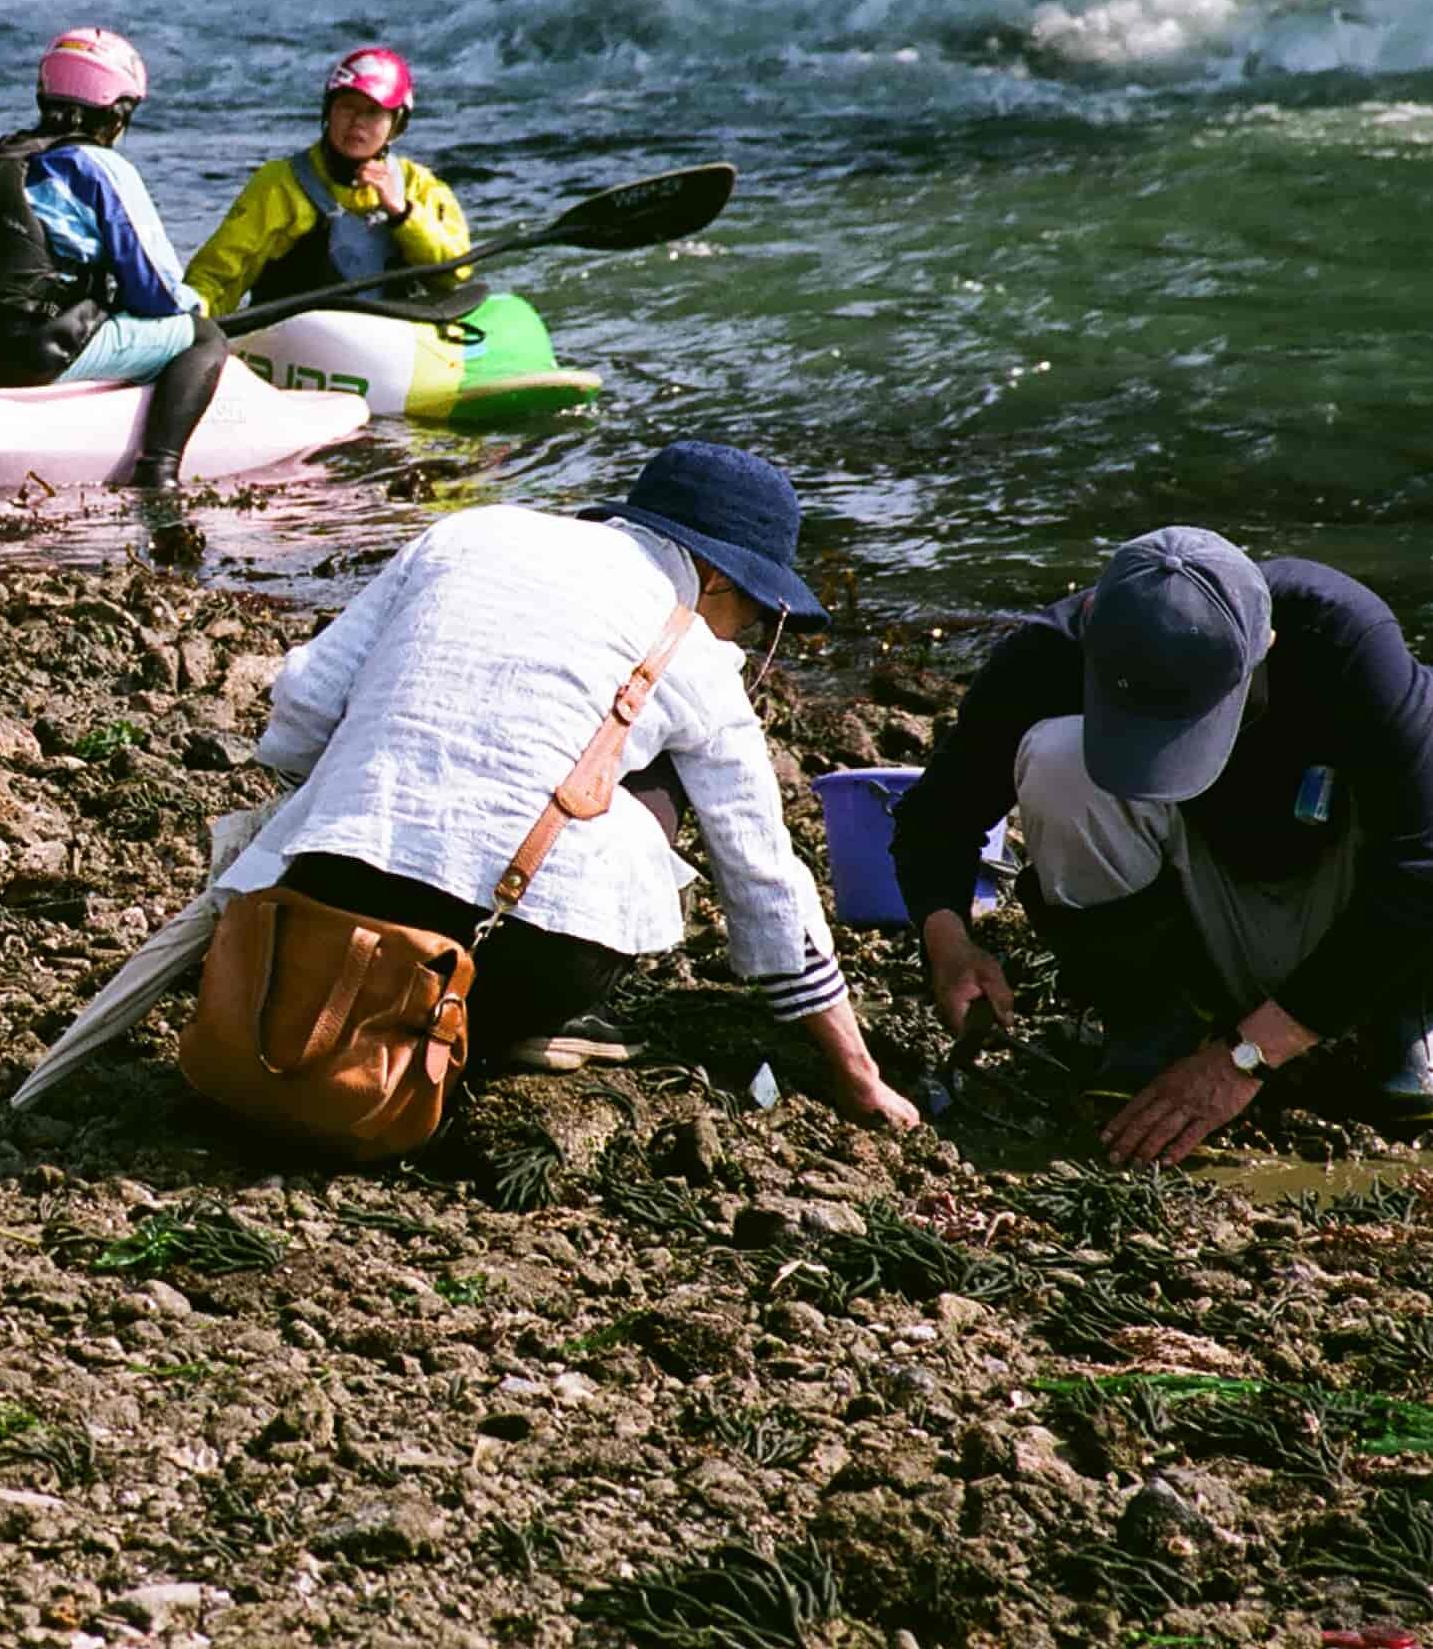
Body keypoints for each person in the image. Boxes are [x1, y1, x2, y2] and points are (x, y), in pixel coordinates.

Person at [214, 441, 918, 1124]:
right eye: (758, 614)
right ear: (714, 577)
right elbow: (761, 876)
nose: (747, 638)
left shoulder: (467, 534)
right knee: (653, 765)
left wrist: (343, 795)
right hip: (508, 962)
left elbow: (306, 699)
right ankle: (516, 1025)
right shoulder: (693, 648)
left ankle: (326, 984)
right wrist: (859, 1077)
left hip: (319, 908)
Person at [890, 528, 1433, 1165]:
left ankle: (1399, 1019)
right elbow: (937, 817)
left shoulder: (1343, 636)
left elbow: (1420, 864)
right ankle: (1152, 1014)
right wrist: (951, 943)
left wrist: (1245, 1058)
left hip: (1346, 909)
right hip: (1202, 917)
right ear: (1092, 633)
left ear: (1268, 646)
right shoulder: (1051, 650)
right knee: (1058, 757)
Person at [0, 28, 229, 489]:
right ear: (117, 114)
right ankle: (159, 473)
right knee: (201, 337)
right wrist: (198, 306)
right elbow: (159, 297)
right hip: (25, 355)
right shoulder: (99, 168)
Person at [185, 46, 471, 318]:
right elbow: (218, 275)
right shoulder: (279, 184)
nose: (357, 121)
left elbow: (454, 274)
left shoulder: (418, 185)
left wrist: (403, 215)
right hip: (294, 339)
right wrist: (197, 320)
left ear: (396, 124)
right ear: (329, 112)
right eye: (347, 107)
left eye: (372, 112)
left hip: (391, 340)